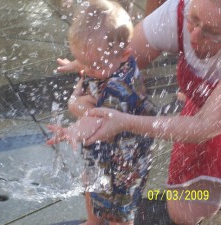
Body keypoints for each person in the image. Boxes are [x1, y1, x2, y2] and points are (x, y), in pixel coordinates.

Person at [47, 0, 221, 224]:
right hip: (198, 114)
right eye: (194, 20)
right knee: (95, 184)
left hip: (204, 128)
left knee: (166, 211)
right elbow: (111, 50)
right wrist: (84, 61)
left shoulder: (119, 90)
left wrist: (74, 115)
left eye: (212, 32)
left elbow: (203, 127)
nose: (195, 36)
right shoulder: (178, 12)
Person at [47, 0, 157, 224]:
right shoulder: (107, 60)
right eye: (84, 62)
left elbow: (98, 120)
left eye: (94, 65)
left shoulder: (120, 87)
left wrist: (75, 130)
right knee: (91, 182)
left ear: (125, 54)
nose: (88, 70)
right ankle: (93, 221)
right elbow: (92, 61)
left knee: (120, 205)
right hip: (102, 146)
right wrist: (76, 64)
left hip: (126, 157)